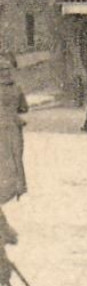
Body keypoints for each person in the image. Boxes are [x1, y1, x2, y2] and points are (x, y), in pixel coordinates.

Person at [0, 55, 26, 247]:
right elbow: (24, 108)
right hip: (12, 129)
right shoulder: (17, 88)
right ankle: (18, 185)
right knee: (15, 161)